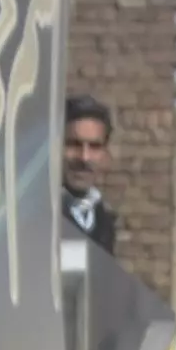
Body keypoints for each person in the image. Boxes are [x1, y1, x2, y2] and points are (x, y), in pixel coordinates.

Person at [61, 89, 118, 246]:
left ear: (105, 154)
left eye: (94, 146)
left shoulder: (104, 221)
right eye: (74, 144)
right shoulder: (36, 215)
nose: (84, 157)